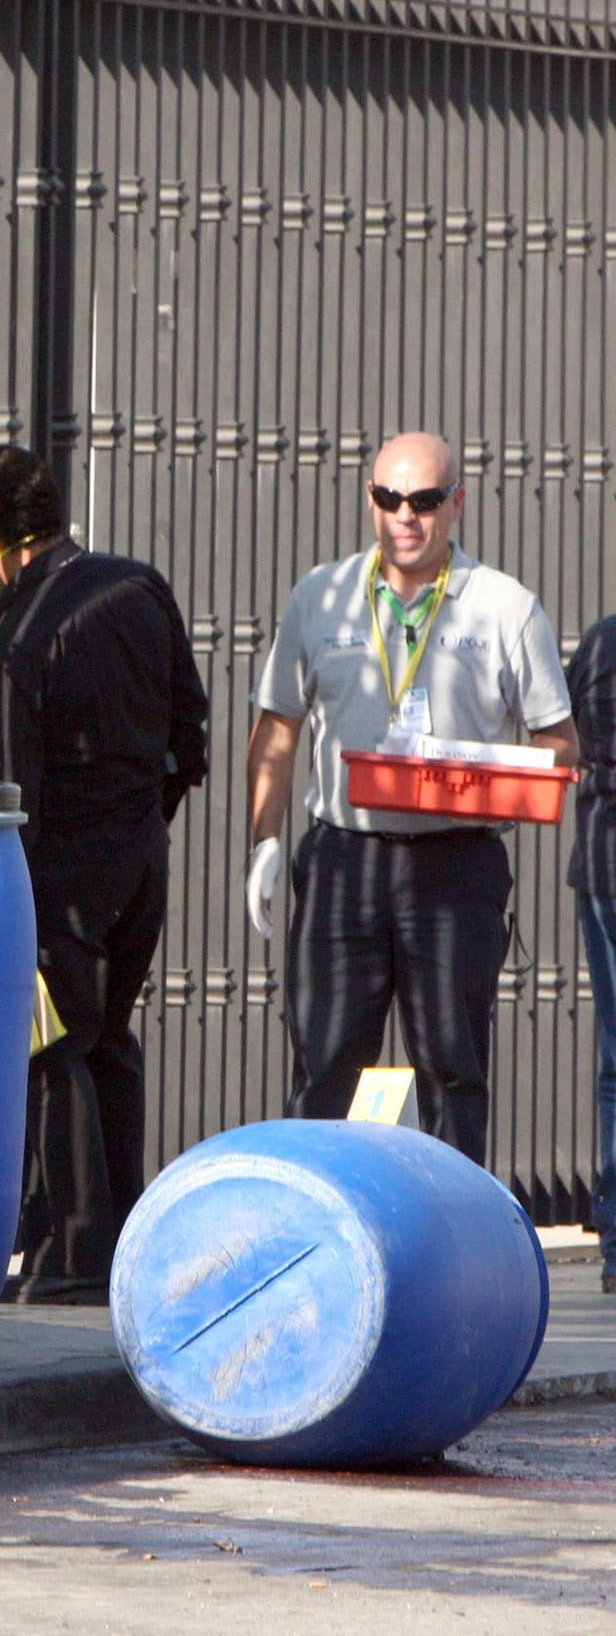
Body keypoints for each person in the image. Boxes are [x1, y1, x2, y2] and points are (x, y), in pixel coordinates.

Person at [246, 430, 579, 1167]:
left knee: (453, 1069)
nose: (406, 515)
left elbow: (561, 742)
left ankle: (455, 1242)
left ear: (456, 503)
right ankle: (324, 1227)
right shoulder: (322, 596)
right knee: (325, 1062)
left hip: (455, 862)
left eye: (425, 500)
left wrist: (478, 771)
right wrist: (265, 842)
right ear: (370, 501)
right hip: (342, 857)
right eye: (390, 498)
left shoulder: (503, 606)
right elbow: (276, 730)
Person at [0, 444, 209, 1305]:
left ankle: (72, 1253)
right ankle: (123, 1244)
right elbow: (193, 735)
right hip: (142, 857)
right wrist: (140, 818)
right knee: (111, 1041)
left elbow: (2, 798)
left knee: (53, 1045)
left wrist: (6, 902)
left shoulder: (15, 638)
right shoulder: (139, 588)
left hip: (58, 873)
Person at [565, 619, 616, 1292]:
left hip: (606, 864)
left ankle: (615, 1241)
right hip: (607, 865)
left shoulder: (602, 643)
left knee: (615, 1059)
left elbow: (563, 737)